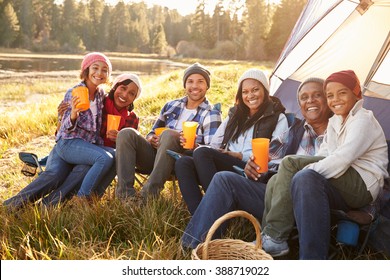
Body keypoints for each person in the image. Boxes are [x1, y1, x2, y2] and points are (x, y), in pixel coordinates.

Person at [181, 77, 333, 249]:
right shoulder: (296, 130)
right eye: (304, 98)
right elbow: (268, 155)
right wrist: (252, 164)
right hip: (274, 195)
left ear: (328, 99)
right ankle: (193, 246)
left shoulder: (338, 130)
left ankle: (201, 241)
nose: (310, 101)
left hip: (304, 202)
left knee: (211, 163)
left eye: (317, 95)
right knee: (223, 178)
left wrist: (239, 156)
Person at [261, 70, 388, 259]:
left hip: (362, 186)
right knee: (276, 180)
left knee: (291, 165)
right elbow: (324, 153)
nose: (335, 99)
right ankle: (266, 237)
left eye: (342, 93)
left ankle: (276, 236)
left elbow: (342, 158)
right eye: (330, 95)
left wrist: (303, 170)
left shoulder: (363, 120)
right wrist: (296, 173)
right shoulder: (336, 121)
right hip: (345, 179)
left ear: (356, 94)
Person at [3, 70, 142, 209]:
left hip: (94, 156)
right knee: (55, 175)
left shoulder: (132, 118)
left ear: (135, 98)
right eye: (123, 88)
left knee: (83, 170)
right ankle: (11, 205)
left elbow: (128, 149)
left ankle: (46, 207)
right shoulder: (100, 102)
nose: (125, 95)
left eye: (132, 93)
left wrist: (120, 139)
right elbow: (61, 130)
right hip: (71, 146)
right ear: (115, 87)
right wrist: (62, 115)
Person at [176, 68, 288, 215]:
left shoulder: (278, 118)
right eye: (245, 92)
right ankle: (200, 215)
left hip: (249, 169)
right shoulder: (235, 115)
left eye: (255, 90)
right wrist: (197, 146)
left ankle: (216, 212)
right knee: (183, 162)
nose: (250, 95)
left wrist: (239, 156)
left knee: (203, 153)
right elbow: (214, 145)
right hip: (227, 162)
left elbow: (275, 156)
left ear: (265, 91)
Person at [115, 62, 222, 200]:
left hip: (181, 162)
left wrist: (194, 145)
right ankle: (125, 197)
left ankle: (147, 196)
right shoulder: (171, 105)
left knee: (169, 134)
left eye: (200, 82)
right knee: (126, 133)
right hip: (154, 157)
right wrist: (151, 138)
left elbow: (212, 151)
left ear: (207, 86)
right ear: (185, 85)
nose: (194, 86)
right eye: (190, 81)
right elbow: (152, 132)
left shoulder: (211, 113)